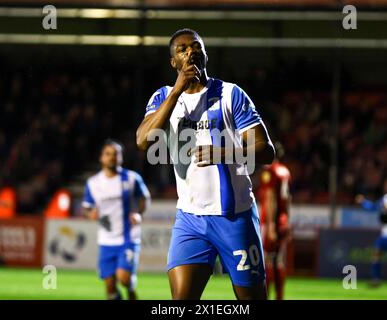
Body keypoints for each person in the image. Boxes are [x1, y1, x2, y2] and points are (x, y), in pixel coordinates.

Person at [136, 28, 275, 300]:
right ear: (173, 63)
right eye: (182, 49)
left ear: (205, 53)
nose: (191, 52)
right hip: (190, 219)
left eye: (196, 46)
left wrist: (225, 152)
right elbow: (143, 141)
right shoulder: (163, 96)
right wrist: (177, 91)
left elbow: (265, 150)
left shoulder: (231, 94)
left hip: (235, 217)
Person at [82, 140, 150, 300]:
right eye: (108, 154)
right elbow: (86, 206)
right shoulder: (93, 183)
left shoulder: (132, 178)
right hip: (106, 240)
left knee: (124, 279)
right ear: (101, 158)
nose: (112, 157)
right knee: (110, 288)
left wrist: (139, 213)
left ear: (121, 158)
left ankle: (131, 291)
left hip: (128, 237)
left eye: (115, 154)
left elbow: (144, 198)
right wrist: (90, 213)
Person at [356, 178, 387, 293]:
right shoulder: (385, 198)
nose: (386, 187)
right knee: (376, 253)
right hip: (385, 234)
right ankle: (376, 280)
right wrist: (363, 202)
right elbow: (374, 207)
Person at [258, 142, 291, 300]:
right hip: (283, 220)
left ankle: (267, 295)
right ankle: (279, 296)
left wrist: (270, 225)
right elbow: (288, 199)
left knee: (268, 260)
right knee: (279, 260)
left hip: (271, 221)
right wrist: (287, 220)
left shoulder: (269, 171)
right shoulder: (285, 171)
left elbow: (271, 198)